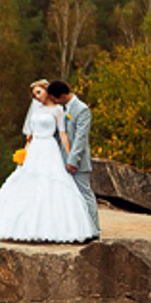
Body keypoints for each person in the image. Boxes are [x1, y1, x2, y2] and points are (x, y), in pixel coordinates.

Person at [0, 80, 95, 243]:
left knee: (51, 186)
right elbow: (31, 133)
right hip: (35, 148)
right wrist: (25, 151)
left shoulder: (58, 110)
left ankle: (57, 228)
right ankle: (25, 227)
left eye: (38, 92)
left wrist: (71, 156)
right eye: (34, 95)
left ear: (47, 91)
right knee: (27, 184)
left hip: (49, 149)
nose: (36, 97)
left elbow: (63, 134)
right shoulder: (37, 110)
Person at [47, 79, 100, 239]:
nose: (53, 101)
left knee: (85, 194)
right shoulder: (61, 108)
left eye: (55, 98)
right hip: (61, 160)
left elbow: (80, 138)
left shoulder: (82, 110)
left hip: (77, 162)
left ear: (62, 95)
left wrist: (73, 160)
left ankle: (94, 230)